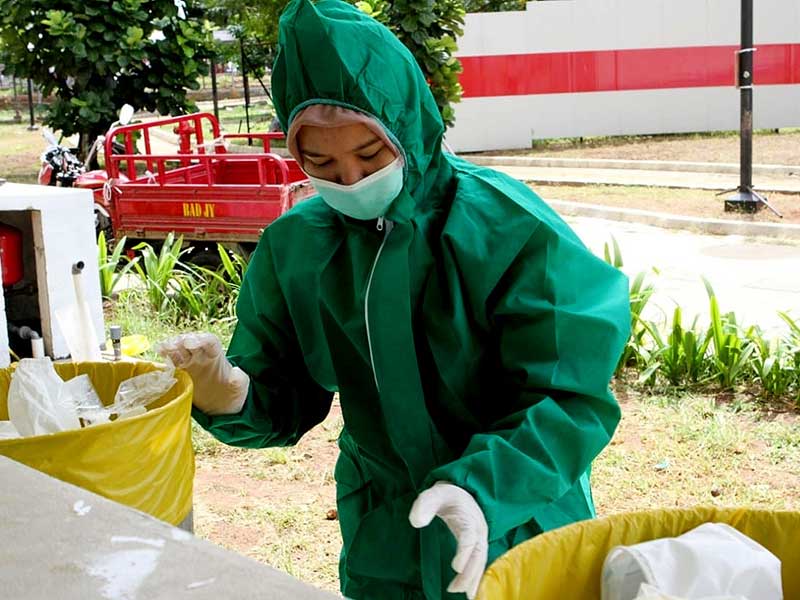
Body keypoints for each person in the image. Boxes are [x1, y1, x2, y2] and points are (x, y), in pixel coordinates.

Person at [157, 0, 631, 598]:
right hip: (387, 527)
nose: (349, 181)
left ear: (406, 127)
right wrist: (230, 392)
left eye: (370, 155)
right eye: (320, 161)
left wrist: (481, 490)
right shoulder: (296, 248)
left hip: (519, 509)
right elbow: (285, 392)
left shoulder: (503, 226)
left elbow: (570, 396)